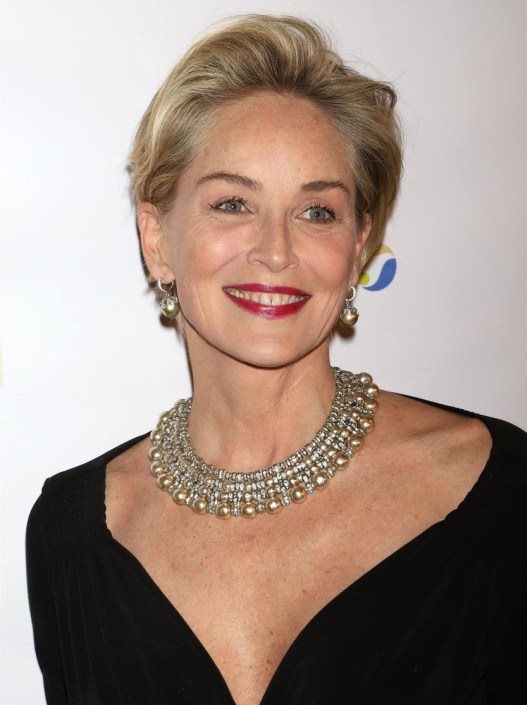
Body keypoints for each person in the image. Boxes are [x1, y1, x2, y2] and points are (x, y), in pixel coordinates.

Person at [26, 12, 526, 705]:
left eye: (317, 212)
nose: (277, 251)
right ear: (157, 239)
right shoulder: (72, 534)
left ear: (357, 247)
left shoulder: (502, 494)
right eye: (233, 203)